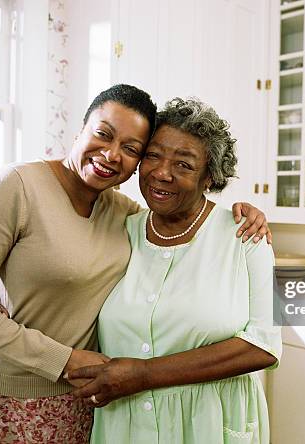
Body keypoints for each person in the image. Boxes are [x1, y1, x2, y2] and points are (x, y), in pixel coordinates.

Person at [0, 84, 270, 443]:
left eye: (130, 149)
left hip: (83, 402)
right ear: (81, 128)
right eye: (103, 134)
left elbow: (182, 219)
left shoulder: (124, 214)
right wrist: (64, 360)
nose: (112, 155)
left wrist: (246, 214)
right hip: (7, 397)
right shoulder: (13, 187)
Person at [67, 97, 281, 444]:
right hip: (125, 425)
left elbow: (264, 345)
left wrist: (144, 374)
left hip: (211, 424)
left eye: (183, 164)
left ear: (209, 177)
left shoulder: (247, 237)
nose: (161, 173)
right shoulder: (121, 228)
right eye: (152, 155)